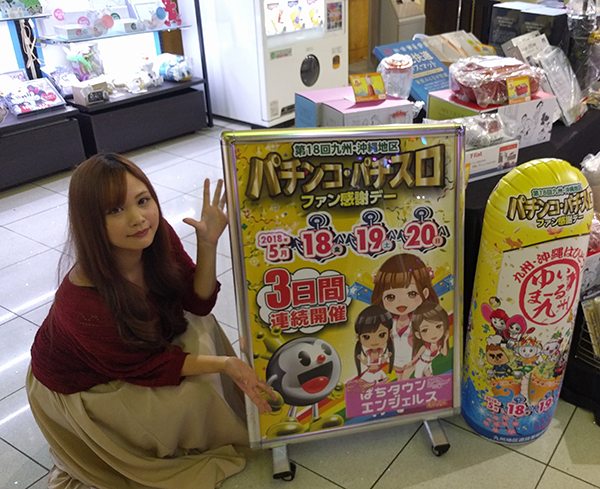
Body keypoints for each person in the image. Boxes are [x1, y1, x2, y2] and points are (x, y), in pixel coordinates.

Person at [26, 153, 276, 489]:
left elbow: (198, 304)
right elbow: (146, 366)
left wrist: (207, 243)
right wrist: (226, 364)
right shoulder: (83, 302)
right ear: (90, 222)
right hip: (83, 384)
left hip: (137, 348)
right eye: (115, 210)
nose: (138, 218)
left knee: (203, 329)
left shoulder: (155, 236)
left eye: (143, 201)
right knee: (195, 397)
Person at [370, 253, 439, 380]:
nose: (401, 302)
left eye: (412, 294)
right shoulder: (389, 321)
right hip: (396, 356)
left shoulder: (420, 320)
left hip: (412, 357)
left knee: (407, 379)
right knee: (400, 378)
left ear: (425, 293)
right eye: (390, 297)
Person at [354, 305, 395, 384]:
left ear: (390, 333)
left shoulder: (380, 351)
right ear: (358, 337)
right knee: (367, 384)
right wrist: (360, 359)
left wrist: (387, 357)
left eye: (381, 335)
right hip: (370, 371)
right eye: (366, 337)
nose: (374, 341)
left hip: (378, 370)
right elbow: (365, 362)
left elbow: (382, 361)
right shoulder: (368, 352)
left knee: (381, 384)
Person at [410, 302, 450, 378]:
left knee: (430, 378)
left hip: (429, 364)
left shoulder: (439, 345)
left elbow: (445, 353)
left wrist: (445, 339)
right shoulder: (424, 347)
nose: (433, 333)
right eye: (425, 330)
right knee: (418, 379)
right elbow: (416, 357)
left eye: (438, 326)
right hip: (421, 364)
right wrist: (410, 363)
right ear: (418, 335)